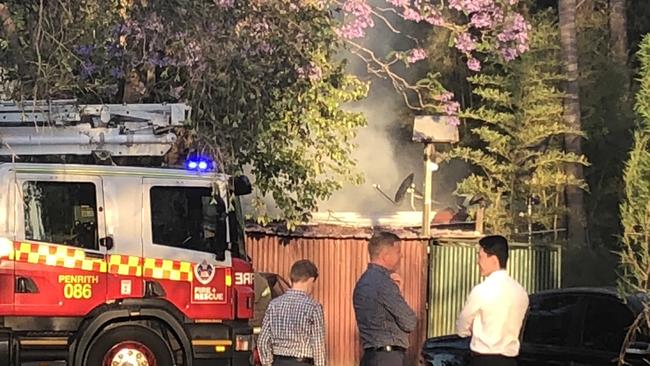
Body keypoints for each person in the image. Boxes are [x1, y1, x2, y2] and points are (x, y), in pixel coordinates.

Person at [456, 235, 529, 366]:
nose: (478, 262)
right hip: (510, 361)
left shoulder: (482, 290)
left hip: (483, 360)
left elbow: (462, 326)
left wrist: (471, 330)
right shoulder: (521, 293)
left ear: (494, 260)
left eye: (480, 257)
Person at [353, 231, 417, 366]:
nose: (401, 256)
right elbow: (409, 322)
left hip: (370, 356)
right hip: (389, 357)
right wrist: (398, 294)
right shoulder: (384, 283)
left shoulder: (362, 282)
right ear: (385, 255)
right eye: (398, 251)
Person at [258, 259, 326, 366]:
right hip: (302, 362)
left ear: (292, 279)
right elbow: (318, 346)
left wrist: (267, 363)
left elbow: (263, 341)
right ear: (310, 280)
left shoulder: (274, 305)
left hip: (278, 361)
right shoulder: (314, 307)